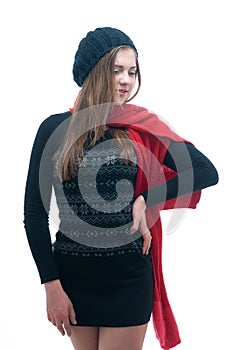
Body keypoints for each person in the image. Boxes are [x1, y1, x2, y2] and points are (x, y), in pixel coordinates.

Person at [23, 27, 219, 350]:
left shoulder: (140, 126)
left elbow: (203, 171)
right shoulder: (54, 130)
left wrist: (148, 197)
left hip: (127, 280)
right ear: (95, 72)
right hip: (72, 282)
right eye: (117, 70)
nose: (126, 80)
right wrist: (51, 285)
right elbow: (34, 213)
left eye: (132, 71)